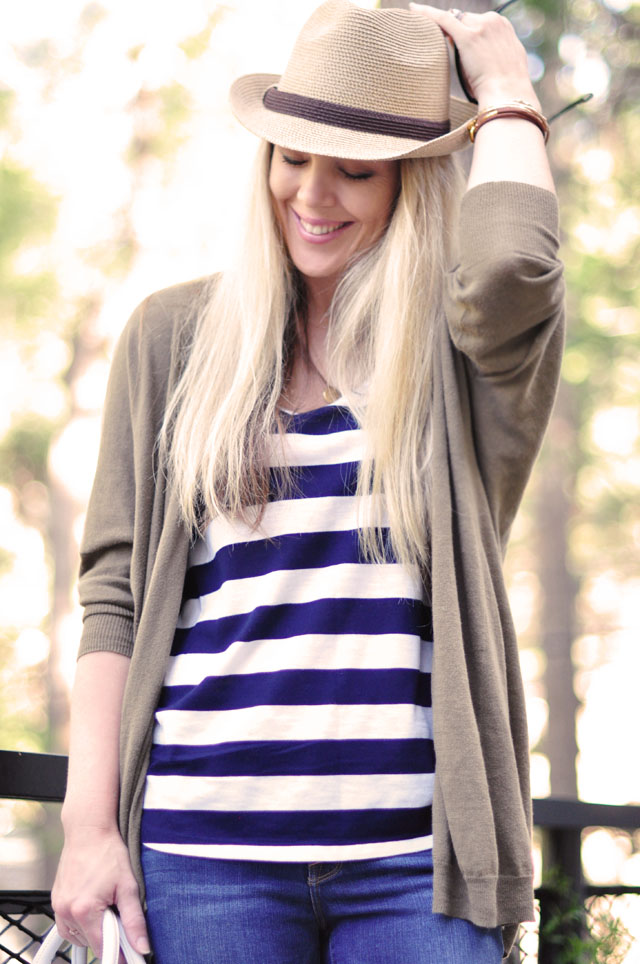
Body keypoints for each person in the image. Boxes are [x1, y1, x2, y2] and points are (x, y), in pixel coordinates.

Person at [50, 1, 564, 961]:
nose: (312, 194)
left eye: (355, 169)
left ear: (413, 183)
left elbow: (512, 269)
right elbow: (113, 596)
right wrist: (89, 831)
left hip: (420, 867)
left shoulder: (456, 356)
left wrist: (503, 94)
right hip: (204, 861)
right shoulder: (172, 338)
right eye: (293, 156)